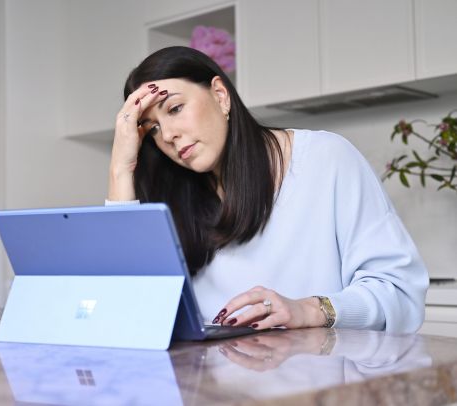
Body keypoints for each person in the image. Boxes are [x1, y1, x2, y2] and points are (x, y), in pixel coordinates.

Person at [106, 46, 428, 334]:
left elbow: (400, 293)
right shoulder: (174, 197)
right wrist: (120, 169)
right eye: (152, 128)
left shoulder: (326, 158)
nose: (168, 136)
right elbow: (127, 313)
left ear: (220, 95)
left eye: (175, 108)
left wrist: (309, 310)